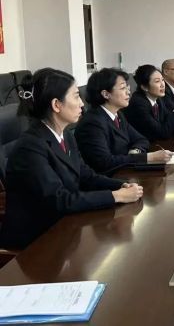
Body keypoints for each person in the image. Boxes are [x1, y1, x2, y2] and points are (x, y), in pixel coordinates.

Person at [0, 68, 143, 250]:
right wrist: (116, 196)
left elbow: (86, 175)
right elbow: (59, 199)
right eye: (76, 96)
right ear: (56, 105)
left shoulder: (65, 135)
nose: (82, 103)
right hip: (35, 242)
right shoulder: (30, 147)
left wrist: (121, 185)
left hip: (65, 227)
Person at [75, 68, 173, 175]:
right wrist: (149, 157)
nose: (128, 92)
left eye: (127, 87)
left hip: (125, 173)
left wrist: (135, 151)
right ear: (106, 94)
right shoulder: (92, 123)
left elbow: (141, 139)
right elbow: (104, 162)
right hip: (109, 179)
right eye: (122, 88)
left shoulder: (118, 114)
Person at [124, 64, 174, 141]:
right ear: (144, 87)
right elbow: (162, 133)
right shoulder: (138, 103)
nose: (162, 85)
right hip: (142, 145)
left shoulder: (158, 99)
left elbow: (170, 123)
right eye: (157, 81)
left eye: (162, 80)